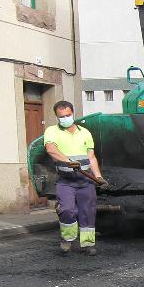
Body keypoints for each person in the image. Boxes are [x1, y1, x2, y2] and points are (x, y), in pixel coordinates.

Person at [44, 101, 107, 256]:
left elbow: (91, 157)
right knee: (66, 209)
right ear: (57, 117)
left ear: (73, 113)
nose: (65, 118)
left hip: (86, 181)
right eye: (61, 117)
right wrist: (68, 161)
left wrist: (98, 176)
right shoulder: (52, 131)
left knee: (88, 212)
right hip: (66, 181)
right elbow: (51, 150)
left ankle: (88, 244)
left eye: (67, 115)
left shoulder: (85, 132)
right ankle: (67, 239)